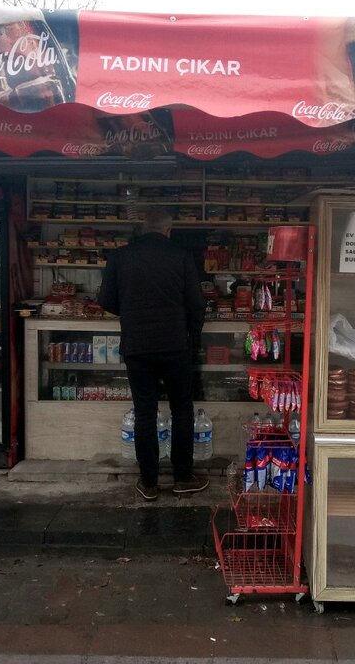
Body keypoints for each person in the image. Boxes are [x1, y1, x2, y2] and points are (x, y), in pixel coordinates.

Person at [98, 207, 208, 500]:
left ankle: (148, 482)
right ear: (168, 230)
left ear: (143, 229)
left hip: (138, 346)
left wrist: (133, 313)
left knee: (145, 412)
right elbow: (196, 304)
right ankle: (183, 478)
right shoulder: (182, 256)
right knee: (181, 409)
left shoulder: (120, 257)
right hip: (175, 346)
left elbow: (106, 300)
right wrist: (192, 335)